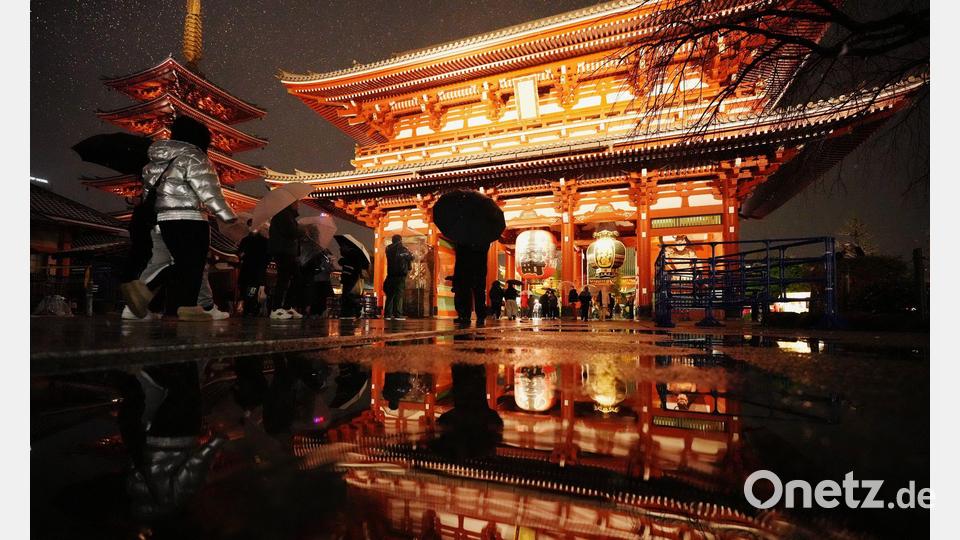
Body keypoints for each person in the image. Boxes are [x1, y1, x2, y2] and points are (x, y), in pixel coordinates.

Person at [141, 116, 237, 321]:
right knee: (193, 264)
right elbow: (208, 191)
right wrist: (228, 216)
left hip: (163, 219)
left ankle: (152, 304)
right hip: (191, 218)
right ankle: (187, 307)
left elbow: (148, 192)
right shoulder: (195, 157)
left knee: (173, 262)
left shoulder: (156, 161)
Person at [268, 202, 304, 320]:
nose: (298, 205)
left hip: (288, 251)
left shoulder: (287, 216)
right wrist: (302, 231)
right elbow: (291, 232)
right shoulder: (283, 215)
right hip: (283, 251)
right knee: (283, 279)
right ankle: (276, 308)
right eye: (296, 203)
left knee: (295, 278)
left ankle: (287, 306)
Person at [237, 219, 270, 318]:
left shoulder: (247, 239)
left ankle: (247, 307)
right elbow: (268, 256)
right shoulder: (265, 241)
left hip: (249, 269)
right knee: (251, 289)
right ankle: (250, 308)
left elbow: (240, 254)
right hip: (255, 270)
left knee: (247, 288)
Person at [452, 242, 489, 326]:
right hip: (477, 269)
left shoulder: (462, 240)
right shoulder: (483, 239)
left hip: (467, 269)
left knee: (467, 291)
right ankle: (479, 316)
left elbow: (459, 262)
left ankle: (466, 315)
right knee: (478, 292)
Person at [301, 243, 336, 318]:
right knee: (318, 297)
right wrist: (327, 266)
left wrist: (330, 264)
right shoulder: (318, 256)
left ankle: (317, 313)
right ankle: (315, 313)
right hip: (319, 280)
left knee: (321, 298)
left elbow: (330, 269)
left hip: (322, 280)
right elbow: (326, 268)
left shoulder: (325, 255)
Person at [384, 235, 414, 320]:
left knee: (390, 295)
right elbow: (411, 257)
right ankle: (398, 314)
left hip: (390, 275)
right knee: (399, 295)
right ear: (400, 240)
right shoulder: (404, 249)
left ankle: (387, 314)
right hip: (400, 275)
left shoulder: (388, 249)